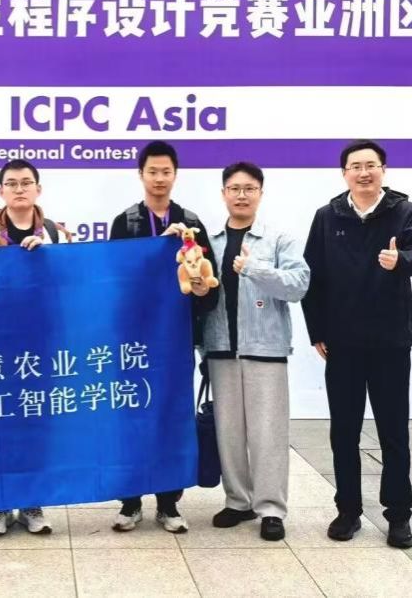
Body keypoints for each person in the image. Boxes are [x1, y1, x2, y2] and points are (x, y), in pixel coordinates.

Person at [302, 140, 412, 549]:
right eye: (355, 166)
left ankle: (399, 516)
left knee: (393, 432)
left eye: (371, 165)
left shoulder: (404, 211)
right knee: (344, 432)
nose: (364, 172)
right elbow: (312, 277)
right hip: (342, 343)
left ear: (383, 170)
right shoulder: (327, 216)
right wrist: (317, 330)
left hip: (390, 341)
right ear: (344, 173)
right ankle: (348, 511)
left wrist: (402, 261)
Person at [108, 140, 220, 534]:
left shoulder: (191, 222)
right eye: (152, 171)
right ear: (141, 175)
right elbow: (114, 279)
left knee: (172, 417)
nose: (159, 178)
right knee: (132, 416)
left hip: (176, 338)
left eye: (166, 171)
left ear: (175, 175)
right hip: (135, 339)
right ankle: (130, 502)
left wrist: (201, 287)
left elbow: (209, 284)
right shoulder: (125, 223)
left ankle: (169, 504)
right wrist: (156, 249)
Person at [201, 162, 309, 541]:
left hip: (265, 349)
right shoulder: (210, 240)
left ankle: (271, 509)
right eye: (234, 188)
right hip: (220, 347)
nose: (241, 195)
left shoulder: (278, 239)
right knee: (228, 432)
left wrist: (254, 269)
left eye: (249, 188)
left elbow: (298, 285)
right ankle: (238, 500)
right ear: (223, 194)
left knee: (268, 433)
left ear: (260, 193)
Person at [0, 159, 73, 536]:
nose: (19, 189)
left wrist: (50, 256)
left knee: (35, 423)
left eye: (26, 182)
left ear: (38, 189)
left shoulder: (56, 234)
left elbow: (76, 280)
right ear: (1, 192)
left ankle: (31, 503)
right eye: (11, 183)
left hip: (40, 343)